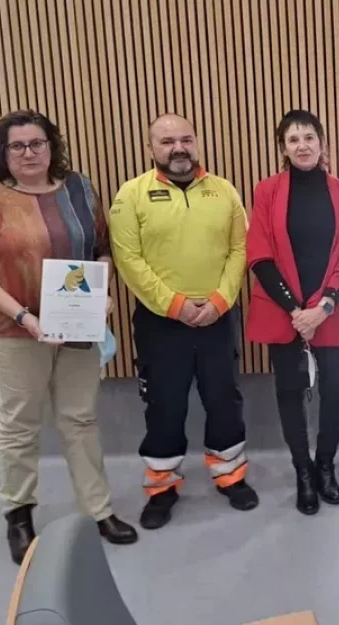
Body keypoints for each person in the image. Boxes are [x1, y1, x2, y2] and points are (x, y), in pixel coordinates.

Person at [0, 110, 137, 564]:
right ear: (3, 152)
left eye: (38, 143)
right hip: (14, 332)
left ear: (52, 146)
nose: (29, 153)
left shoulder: (78, 188)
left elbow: (99, 248)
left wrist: (101, 296)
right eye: (17, 146)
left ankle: (99, 510)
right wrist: (25, 316)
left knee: (80, 420)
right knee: (20, 424)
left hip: (76, 328)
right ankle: (19, 515)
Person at [109, 114, 256, 529]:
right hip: (161, 323)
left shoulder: (224, 191)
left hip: (218, 316)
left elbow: (239, 250)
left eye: (186, 139)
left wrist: (221, 299)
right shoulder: (131, 195)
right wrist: (175, 305)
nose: (179, 148)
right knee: (164, 405)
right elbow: (128, 260)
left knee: (224, 399)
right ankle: (161, 486)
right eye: (167, 141)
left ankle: (230, 476)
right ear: (150, 149)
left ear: (197, 143)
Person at [247, 110, 339, 516]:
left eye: (309, 137)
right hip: (284, 313)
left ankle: (326, 465)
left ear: (323, 143)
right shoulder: (267, 192)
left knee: (336, 394)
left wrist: (322, 307)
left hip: (334, 311)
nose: (302, 145)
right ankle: (303, 472)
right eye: (293, 140)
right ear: (283, 148)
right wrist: (297, 312)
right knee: (290, 393)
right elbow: (258, 255)